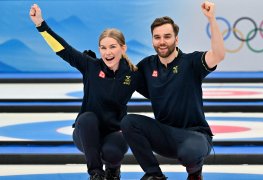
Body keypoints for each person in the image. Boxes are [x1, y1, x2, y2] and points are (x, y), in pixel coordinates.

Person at [29, 4, 147, 180]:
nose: (107, 52)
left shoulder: (133, 74)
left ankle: (113, 170)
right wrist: (40, 24)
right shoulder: (91, 66)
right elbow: (63, 49)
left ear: (123, 48)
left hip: (114, 133)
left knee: (112, 152)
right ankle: (96, 174)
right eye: (103, 48)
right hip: (85, 132)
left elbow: (157, 92)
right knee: (87, 118)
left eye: (113, 47)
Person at [120, 1, 225, 180]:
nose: (162, 42)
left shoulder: (191, 63)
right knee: (129, 122)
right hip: (165, 135)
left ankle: (195, 173)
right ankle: (154, 175)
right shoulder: (147, 65)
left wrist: (211, 19)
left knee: (189, 151)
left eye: (167, 36)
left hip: (195, 136)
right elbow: (124, 82)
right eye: (157, 37)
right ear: (152, 39)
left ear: (176, 39)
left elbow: (218, 55)